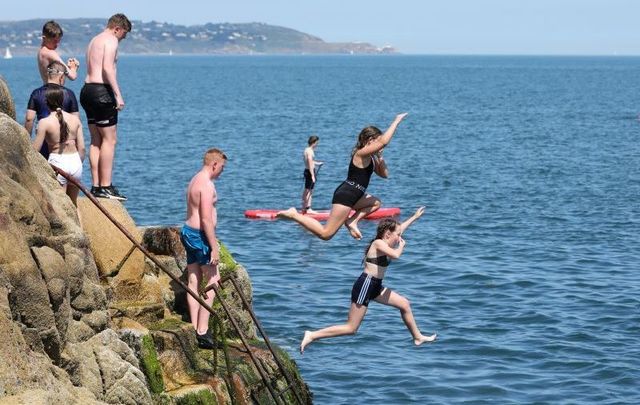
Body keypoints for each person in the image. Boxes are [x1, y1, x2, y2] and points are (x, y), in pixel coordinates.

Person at [300, 207, 436, 353]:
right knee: (351, 328)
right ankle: (312, 335)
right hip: (366, 284)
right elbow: (396, 255)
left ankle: (417, 337)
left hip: (376, 286)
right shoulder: (378, 244)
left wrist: (414, 217)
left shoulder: (387, 241)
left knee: (404, 304)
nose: (400, 237)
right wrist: (402, 247)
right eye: (398, 235)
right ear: (388, 234)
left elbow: (400, 228)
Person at [278, 113, 408, 240]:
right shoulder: (360, 154)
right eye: (377, 140)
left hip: (356, 194)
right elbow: (384, 142)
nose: (379, 144)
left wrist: (380, 156)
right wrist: (396, 121)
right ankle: (294, 214)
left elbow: (384, 174)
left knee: (376, 202)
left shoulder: (371, 158)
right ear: (370, 140)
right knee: (326, 234)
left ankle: (352, 221)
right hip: (347, 194)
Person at [80, 13, 131, 200]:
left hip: (87, 91)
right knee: (110, 140)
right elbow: (107, 68)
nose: (123, 39)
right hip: (102, 92)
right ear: (117, 28)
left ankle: (96, 186)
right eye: (123, 34)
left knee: (95, 140)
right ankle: (106, 186)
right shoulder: (111, 40)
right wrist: (118, 95)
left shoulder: (94, 40)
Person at [180, 148, 227, 349]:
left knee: (193, 280)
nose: (222, 172)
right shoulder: (206, 185)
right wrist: (214, 247)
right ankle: (203, 331)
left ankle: (193, 326)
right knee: (213, 280)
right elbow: (206, 219)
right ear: (214, 164)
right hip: (199, 236)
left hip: (187, 231)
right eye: (222, 168)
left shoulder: (194, 179)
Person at [32, 87, 85, 206]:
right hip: (75, 162)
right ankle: (79, 225)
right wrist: (78, 162)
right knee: (73, 205)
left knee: (61, 207)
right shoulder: (75, 120)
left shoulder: (44, 122)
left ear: (46, 102)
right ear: (63, 101)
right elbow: (82, 148)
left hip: (58, 163)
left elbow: (35, 150)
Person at [25, 60, 80, 158]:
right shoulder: (69, 94)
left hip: (43, 140)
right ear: (62, 77)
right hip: (64, 144)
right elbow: (76, 120)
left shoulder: (36, 93)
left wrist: (26, 140)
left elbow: (29, 119)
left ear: (48, 75)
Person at [301, 135, 323, 214]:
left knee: (307, 190)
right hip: (310, 172)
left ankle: (303, 207)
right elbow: (310, 162)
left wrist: (317, 163)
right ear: (314, 142)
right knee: (310, 191)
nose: (317, 144)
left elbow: (309, 161)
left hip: (306, 171)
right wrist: (313, 175)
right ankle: (308, 209)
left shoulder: (306, 150)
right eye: (317, 143)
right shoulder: (310, 151)